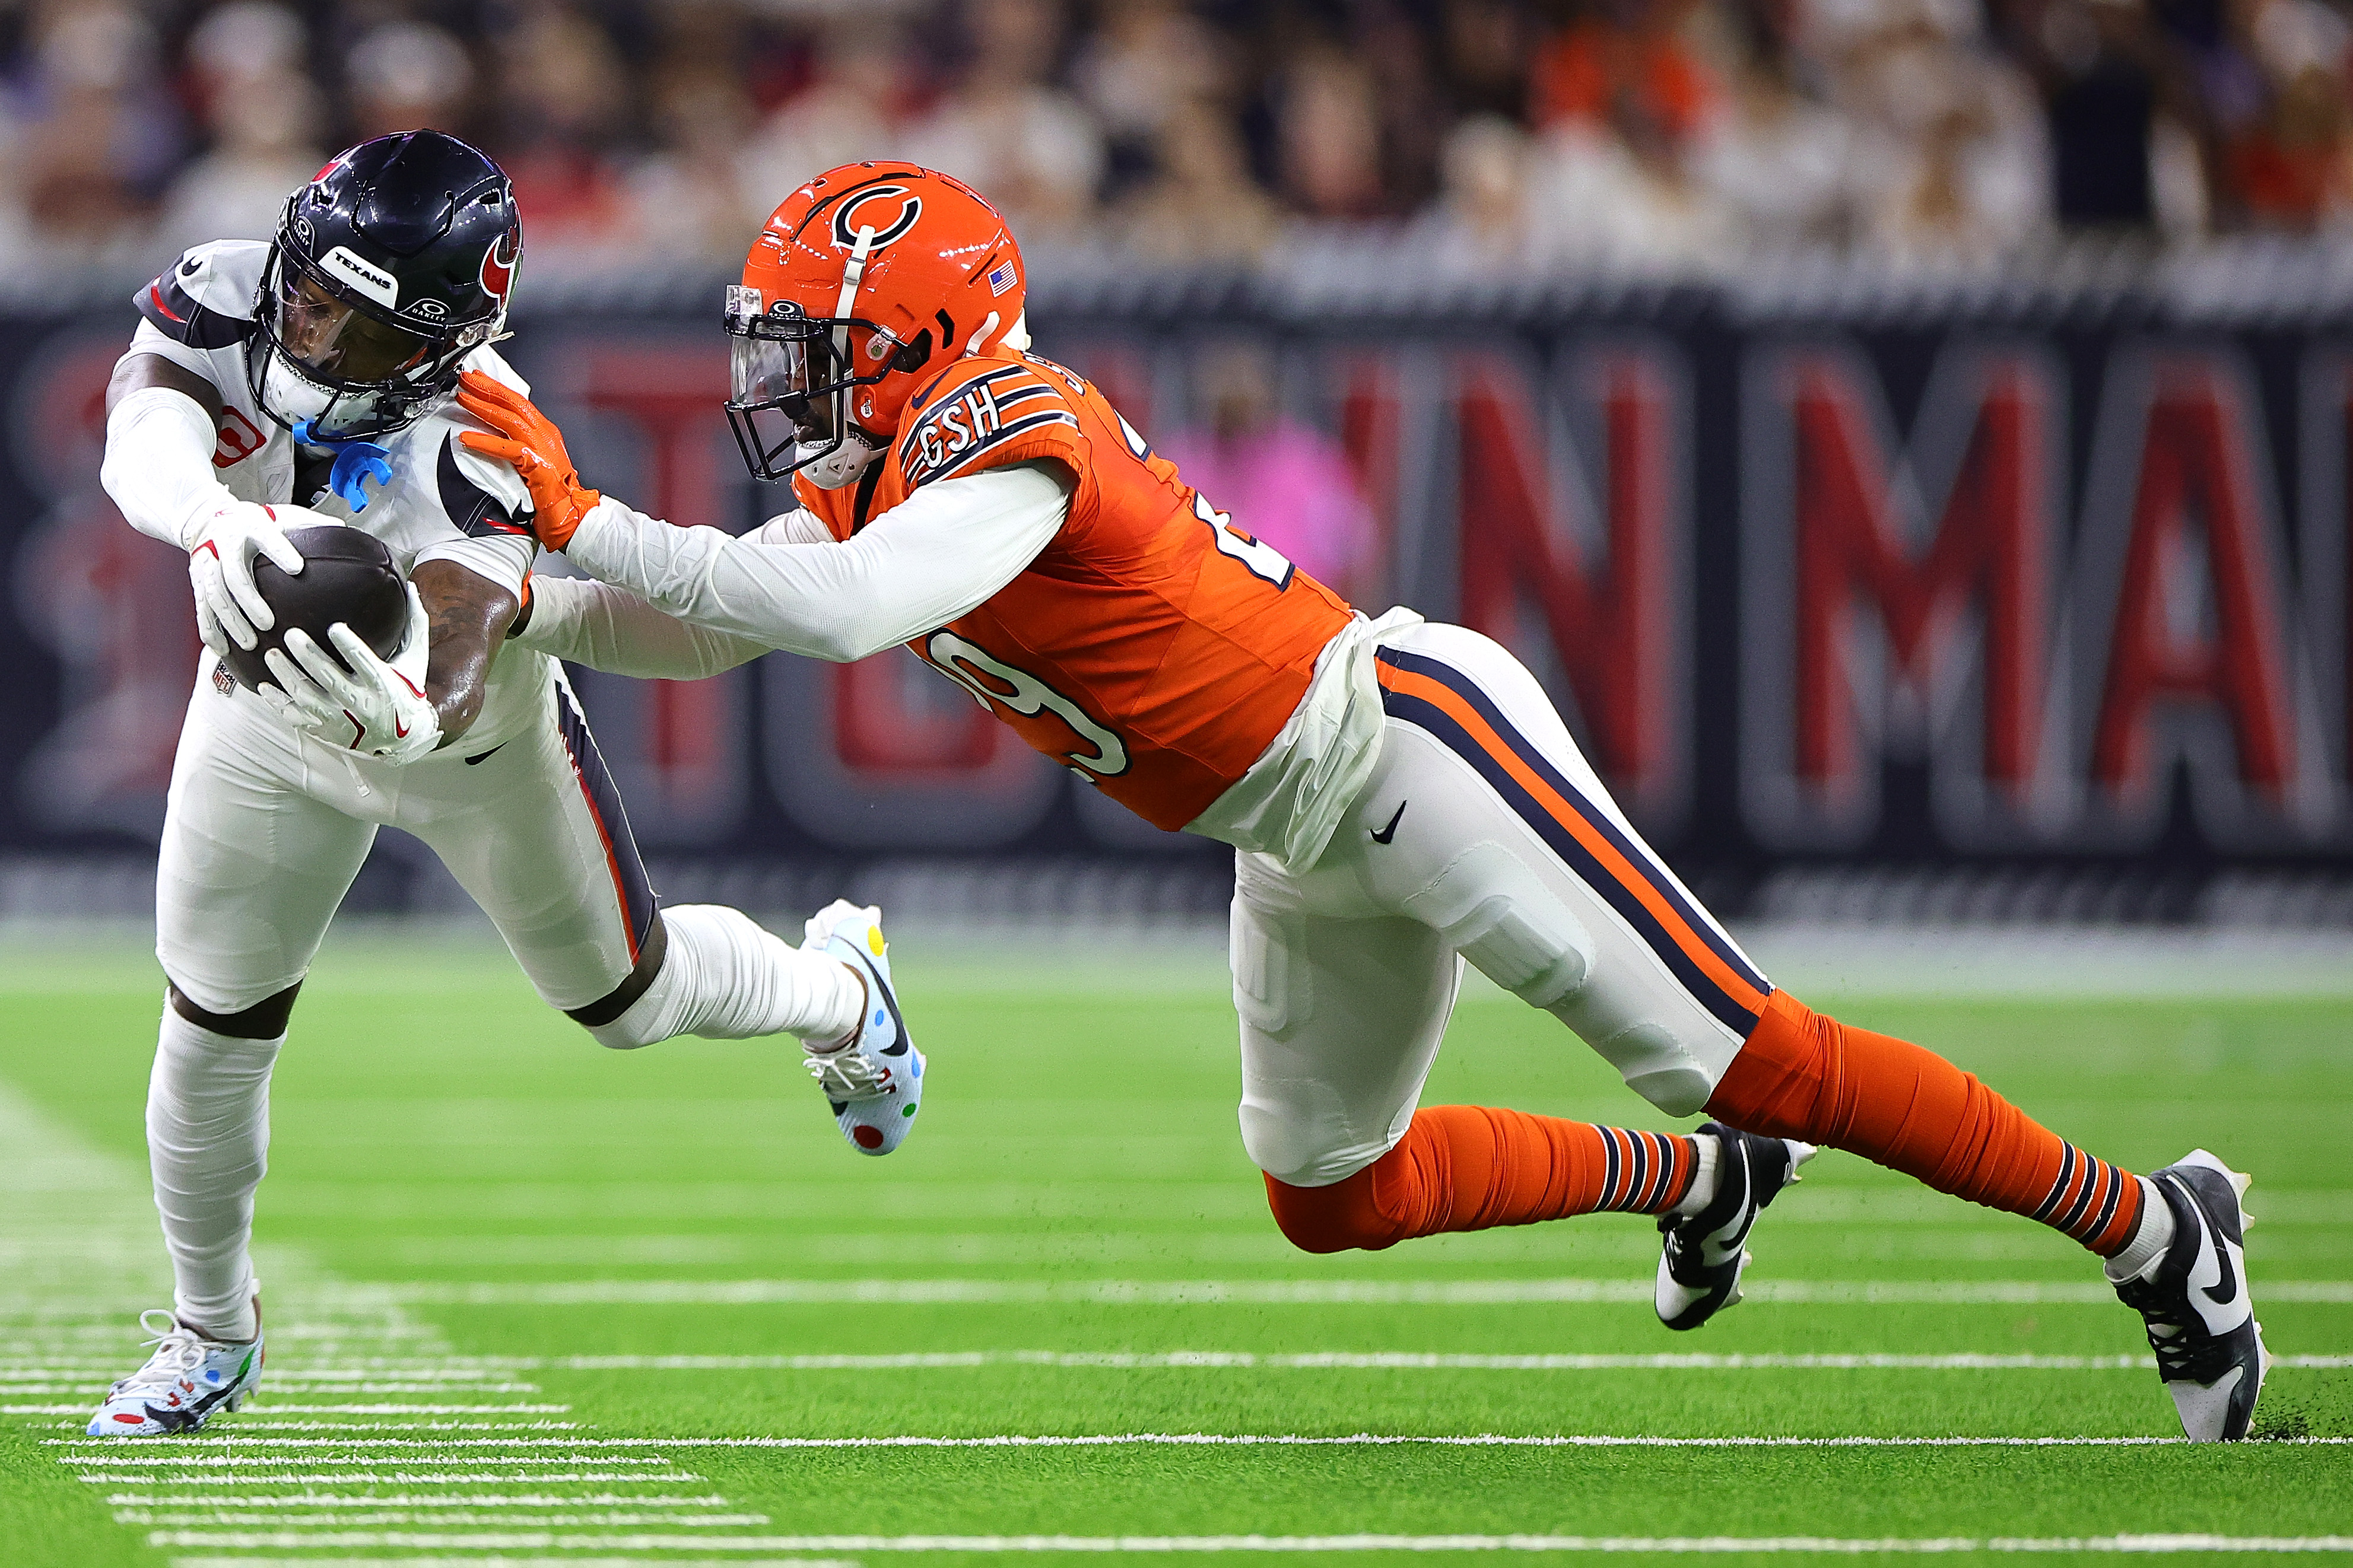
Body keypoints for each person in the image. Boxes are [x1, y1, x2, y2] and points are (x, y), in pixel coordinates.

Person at [462, 162, 2265, 1443]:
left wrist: (588, 519)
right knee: (1329, 1191)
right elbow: (709, 628)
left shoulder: (1009, 429)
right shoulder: (884, 485)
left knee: (1750, 1043)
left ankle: (2150, 1225)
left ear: (926, 342)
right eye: (770, 343)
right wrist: (523, 591)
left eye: (812, 348)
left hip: (1398, 741)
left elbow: (836, 615)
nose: (777, 386)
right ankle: (1702, 1182)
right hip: (1295, 833)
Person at [88, 133, 923, 1439]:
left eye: (352, 327)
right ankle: (211, 1333)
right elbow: (142, 426)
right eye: (307, 295)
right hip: (262, 716)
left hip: (461, 742)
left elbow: (466, 649)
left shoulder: (481, 435)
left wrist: (407, 714)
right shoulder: (230, 285)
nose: (305, 334)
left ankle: (839, 988)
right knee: (209, 1029)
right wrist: (211, 519)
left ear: (435, 343)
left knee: (629, 1000)